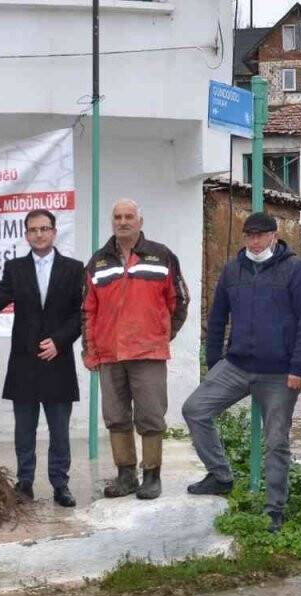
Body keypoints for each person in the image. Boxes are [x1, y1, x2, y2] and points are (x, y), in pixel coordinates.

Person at [181, 212, 301, 532]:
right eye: (249, 236)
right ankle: (220, 475)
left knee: (276, 441)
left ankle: (274, 509)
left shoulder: (294, 269)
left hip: (280, 373)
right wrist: (214, 363)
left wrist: (299, 367)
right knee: (195, 409)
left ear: (274, 235)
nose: (255, 242)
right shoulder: (234, 269)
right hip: (238, 365)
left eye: (261, 235)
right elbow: (217, 319)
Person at [83, 200, 188, 502]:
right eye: (117, 217)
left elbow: (179, 300)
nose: (123, 222)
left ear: (140, 221)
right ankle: (125, 475)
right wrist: (90, 351)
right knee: (115, 416)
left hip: (148, 354)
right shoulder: (98, 262)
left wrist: (161, 335)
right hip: (109, 354)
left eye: (129, 216)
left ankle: (152, 476)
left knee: (151, 415)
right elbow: (88, 310)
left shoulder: (161, 256)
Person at [0, 209, 84, 507]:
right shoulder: (15, 268)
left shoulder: (74, 268)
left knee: (59, 430)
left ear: (54, 232)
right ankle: (24, 482)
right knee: (24, 430)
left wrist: (60, 341)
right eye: (33, 230)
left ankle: (60, 484)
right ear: (26, 234)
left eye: (44, 229)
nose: (39, 234)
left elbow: (80, 314)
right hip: (24, 362)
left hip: (58, 360)